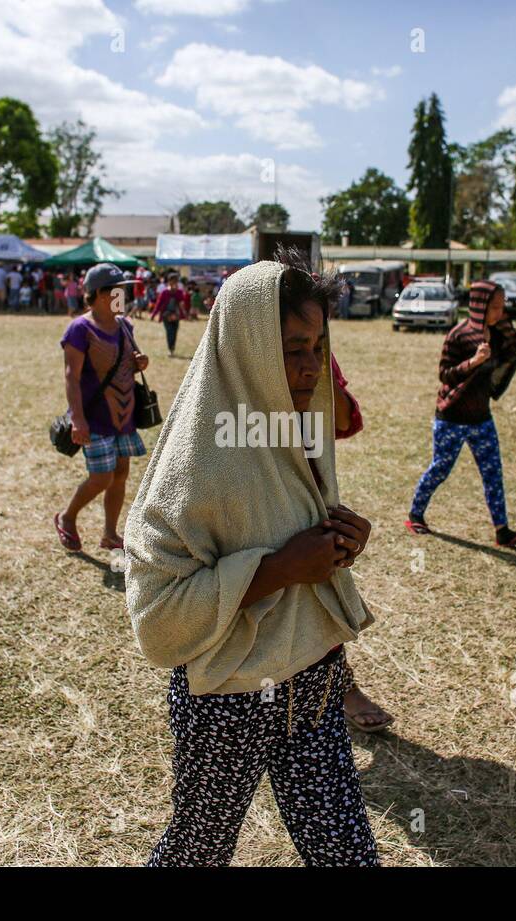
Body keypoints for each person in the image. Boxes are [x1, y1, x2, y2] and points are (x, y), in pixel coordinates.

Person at [125, 255, 379, 866]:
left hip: (314, 681)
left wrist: (342, 540)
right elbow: (156, 614)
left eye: (319, 346)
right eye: (293, 348)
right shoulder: (198, 463)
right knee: (198, 850)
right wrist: (280, 569)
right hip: (227, 699)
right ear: (247, 346)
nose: (312, 365)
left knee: (346, 854)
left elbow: (303, 538)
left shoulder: (299, 428)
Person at [406, 280, 516, 547]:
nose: (499, 312)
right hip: (451, 418)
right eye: (494, 307)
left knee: (493, 474)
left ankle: (502, 531)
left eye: (502, 307)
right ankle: (415, 515)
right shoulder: (458, 335)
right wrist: (473, 362)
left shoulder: (497, 334)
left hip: (481, 418)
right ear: (479, 305)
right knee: (440, 469)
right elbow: (445, 375)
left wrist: (515, 343)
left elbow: (506, 362)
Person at [54, 263, 150, 553]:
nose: (122, 295)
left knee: (120, 473)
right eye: (116, 290)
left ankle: (110, 533)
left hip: (123, 415)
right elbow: (72, 376)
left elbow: (124, 365)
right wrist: (78, 419)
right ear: (97, 294)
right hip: (94, 417)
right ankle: (67, 518)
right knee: (102, 477)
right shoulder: (79, 329)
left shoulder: (125, 325)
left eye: (123, 290)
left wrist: (139, 363)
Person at [329, 351, 395, 734]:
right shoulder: (234, 340)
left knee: (321, 599)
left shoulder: (316, 346)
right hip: (248, 501)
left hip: (307, 499)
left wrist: (320, 370)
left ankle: (342, 689)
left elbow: (342, 420)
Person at [150, 271, 190, 357]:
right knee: (169, 332)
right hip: (166, 315)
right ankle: (170, 349)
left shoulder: (179, 292)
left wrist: (185, 314)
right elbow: (158, 304)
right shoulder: (164, 292)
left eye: (176, 281)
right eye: (172, 280)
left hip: (176, 315)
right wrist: (153, 315)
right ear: (169, 281)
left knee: (174, 332)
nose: (174, 282)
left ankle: (172, 349)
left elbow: (181, 304)